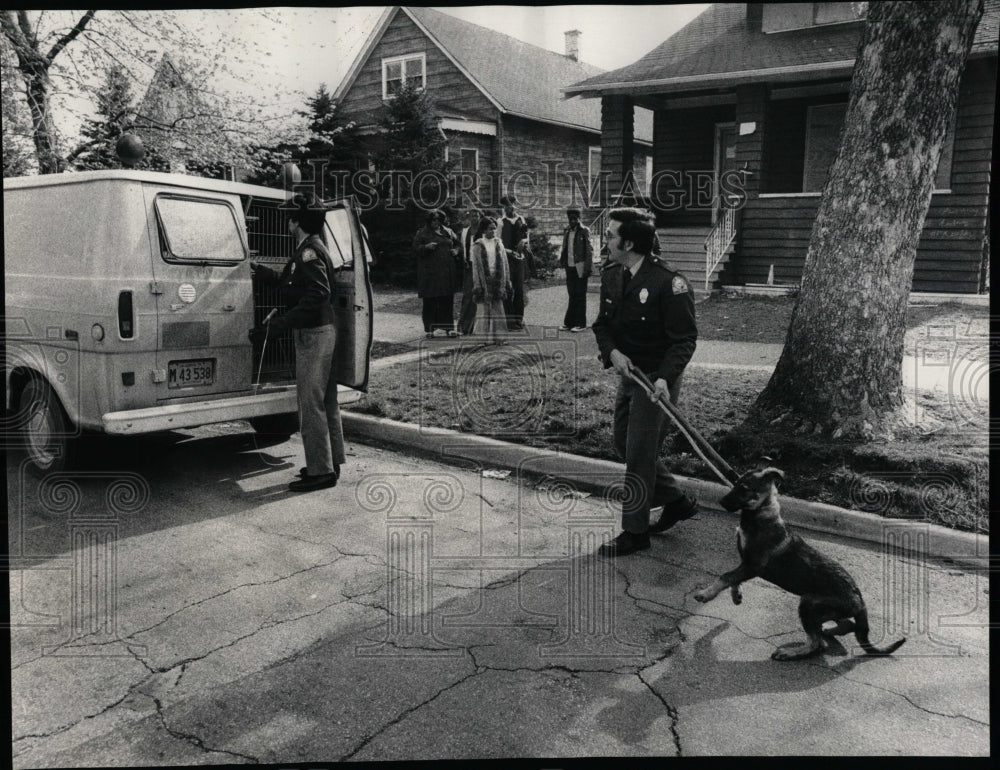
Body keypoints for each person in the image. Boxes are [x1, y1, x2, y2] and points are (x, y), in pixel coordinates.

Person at [592, 207, 699, 557]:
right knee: (624, 445)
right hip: (629, 372)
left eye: (609, 235)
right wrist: (614, 354)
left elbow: (684, 340)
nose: (605, 240)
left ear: (630, 242)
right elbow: (602, 326)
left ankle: (635, 532)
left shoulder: (670, 282)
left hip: (656, 381)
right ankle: (678, 501)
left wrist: (667, 379)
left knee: (638, 455)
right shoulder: (612, 274)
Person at [249, 194, 344, 493]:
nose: (287, 221)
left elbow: (316, 294)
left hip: (314, 335)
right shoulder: (309, 249)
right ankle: (329, 464)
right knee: (325, 401)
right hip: (320, 332)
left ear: (297, 222)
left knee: (310, 403)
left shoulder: (309, 253)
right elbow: (294, 283)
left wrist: (275, 327)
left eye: (290, 217)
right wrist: (266, 275)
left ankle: (321, 472)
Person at [413, 209, 459, 338]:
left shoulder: (448, 231)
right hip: (430, 273)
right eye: (434, 219)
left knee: (447, 299)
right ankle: (430, 329)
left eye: (439, 219)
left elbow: (457, 244)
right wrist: (425, 247)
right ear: (429, 220)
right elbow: (415, 249)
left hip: (446, 271)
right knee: (430, 300)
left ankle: (449, 328)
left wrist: (456, 251)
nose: (436, 222)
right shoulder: (422, 233)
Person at [469, 217, 512, 345]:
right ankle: (482, 339)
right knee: (483, 311)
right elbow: (475, 267)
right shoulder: (477, 245)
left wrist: (507, 281)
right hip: (483, 281)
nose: (493, 231)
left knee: (498, 310)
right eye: (490, 229)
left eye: (494, 228)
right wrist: (477, 284)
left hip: (497, 279)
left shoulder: (499, 243)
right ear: (483, 229)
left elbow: (505, 263)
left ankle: (500, 338)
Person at [558, 206, 594, 332]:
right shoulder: (567, 230)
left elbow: (589, 251)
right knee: (572, 294)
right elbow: (565, 247)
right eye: (570, 219)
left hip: (581, 267)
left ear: (579, 218)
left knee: (580, 295)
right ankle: (569, 323)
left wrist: (588, 268)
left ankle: (581, 324)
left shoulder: (584, 230)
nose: (572, 221)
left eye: (574, 219)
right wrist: (562, 261)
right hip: (570, 266)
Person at [498, 196, 529, 331]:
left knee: (519, 290)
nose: (508, 209)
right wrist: (509, 252)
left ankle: (519, 319)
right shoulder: (500, 222)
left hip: (520, 259)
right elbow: (498, 243)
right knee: (508, 289)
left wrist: (524, 241)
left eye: (510, 205)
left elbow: (527, 236)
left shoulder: (521, 219)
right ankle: (509, 321)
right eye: (506, 206)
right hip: (507, 259)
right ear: (503, 208)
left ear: (514, 206)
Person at [456, 210, 482, 336]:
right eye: (472, 216)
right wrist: (464, 260)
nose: (474, 218)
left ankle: (481, 327)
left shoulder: (483, 231)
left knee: (482, 296)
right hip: (469, 267)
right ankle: (465, 327)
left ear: (480, 217)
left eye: (476, 216)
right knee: (468, 296)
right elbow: (462, 248)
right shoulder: (465, 232)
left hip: (482, 267)